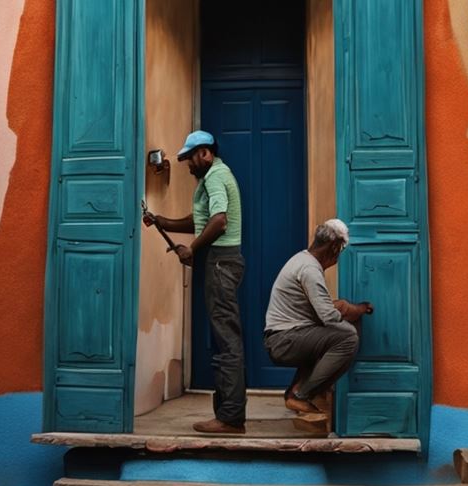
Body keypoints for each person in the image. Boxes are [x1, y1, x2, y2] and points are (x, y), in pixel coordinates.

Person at [142, 130, 247, 434]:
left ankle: (230, 417)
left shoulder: (215, 176)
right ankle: (229, 414)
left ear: (205, 153)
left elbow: (219, 221)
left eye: (191, 158)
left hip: (221, 262)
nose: (188, 164)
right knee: (225, 338)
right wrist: (162, 221)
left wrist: (193, 249)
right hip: (220, 261)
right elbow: (199, 221)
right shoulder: (211, 179)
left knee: (226, 340)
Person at [262, 219, 373, 414]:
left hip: (286, 336)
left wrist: (352, 308)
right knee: (347, 337)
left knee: (335, 331)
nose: (339, 255)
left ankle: (296, 390)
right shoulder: (310, 269)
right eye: (341, 249)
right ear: (333, 247)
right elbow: (329, 316)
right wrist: (356, 309)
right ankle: (300, 395)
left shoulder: (302, 259)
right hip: (284, 340)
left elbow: (323, 309)